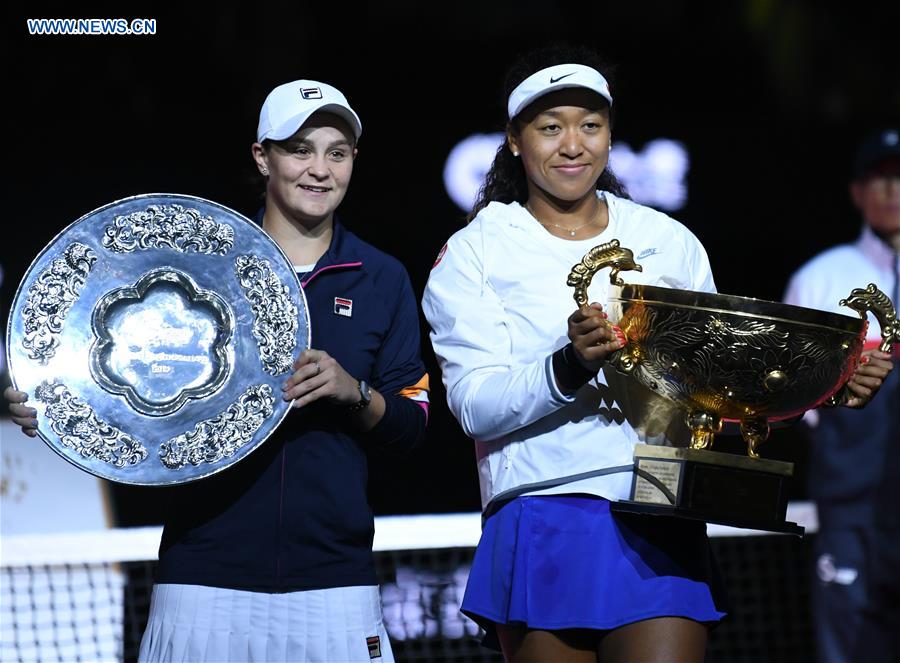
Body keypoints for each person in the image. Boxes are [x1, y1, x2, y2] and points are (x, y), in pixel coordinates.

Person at [422, 45, 893, 663]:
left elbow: (721, 385)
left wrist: (829, 385)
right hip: (544, 512)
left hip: (660, 504)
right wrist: (568, 364)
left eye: (590, 126)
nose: (572, 145)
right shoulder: (474, 251)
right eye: (550, 127)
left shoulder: (666, 241)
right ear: (514, 140)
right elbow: (474, 406)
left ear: (611, 136)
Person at [5, 79, 430, 663]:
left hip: (335, 584)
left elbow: (412, 425)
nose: (319, 169)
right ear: (263, 157)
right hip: (202, 581)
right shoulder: (193, 265)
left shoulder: (381, 278)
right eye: (299, 149)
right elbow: (96, 378)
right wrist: (50, 404)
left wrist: (353, 392)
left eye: (337, 152)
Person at [783, 127, 898, 663]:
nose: (891, 191)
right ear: (857, 193)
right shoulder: (822, 279)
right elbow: (793, 393)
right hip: (851, 505)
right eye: (878, 180)